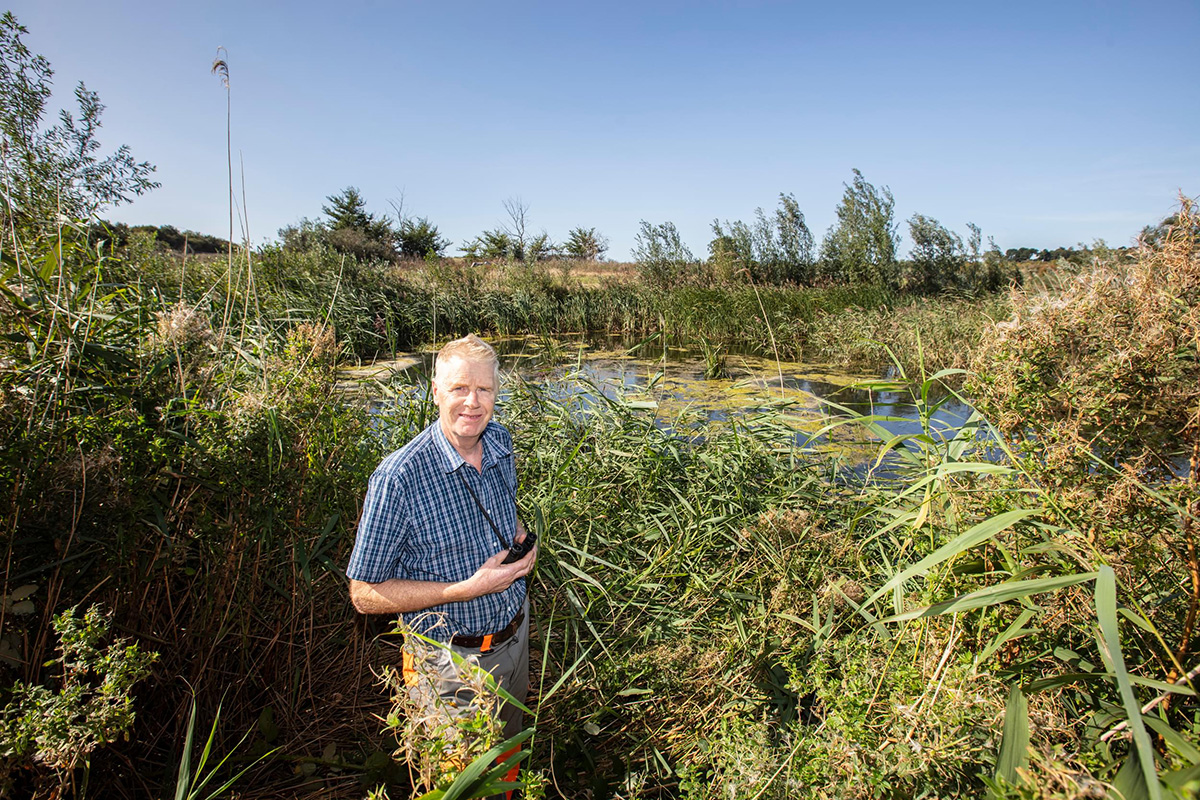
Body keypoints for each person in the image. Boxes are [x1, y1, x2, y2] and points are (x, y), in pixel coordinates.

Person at [347, 334, 536, 785]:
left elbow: (502, 512)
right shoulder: (399, 478)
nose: (473, 402)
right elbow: (363, 594)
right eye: (459, 388)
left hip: (515, 637)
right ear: (435, 391)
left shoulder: (501, 442)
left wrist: (519, 539)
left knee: (507, 764)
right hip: (451, 665)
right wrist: (466, 590)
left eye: (485, 390)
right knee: (459, 785)